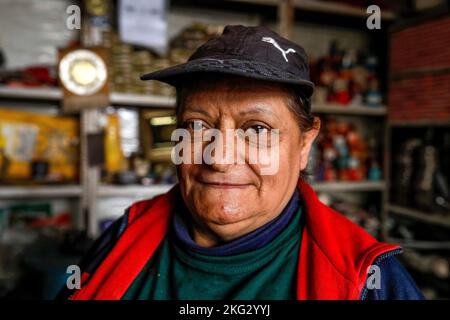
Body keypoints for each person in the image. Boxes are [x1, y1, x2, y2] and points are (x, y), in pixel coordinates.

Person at [59, 25, 424, 300]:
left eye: (258, 129)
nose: (218, 157)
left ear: (304, 145)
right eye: (197, 126)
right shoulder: (126, 233)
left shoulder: (366, 276)